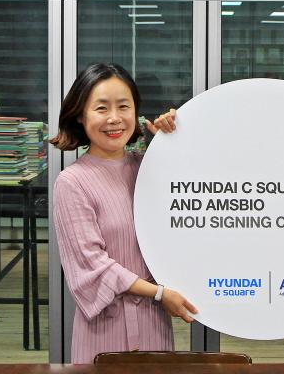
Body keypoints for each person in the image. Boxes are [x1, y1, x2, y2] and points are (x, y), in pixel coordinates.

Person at [49, 63, 197, 364]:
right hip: (105, 330)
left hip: (154, 325)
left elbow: (200, 194)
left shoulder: (148, 167)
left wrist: (173, 139)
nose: (114, 118)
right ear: (80, 115)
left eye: (124, 106)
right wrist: (158, 293)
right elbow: (93, 266)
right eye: (101, 108)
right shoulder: (72, 182)